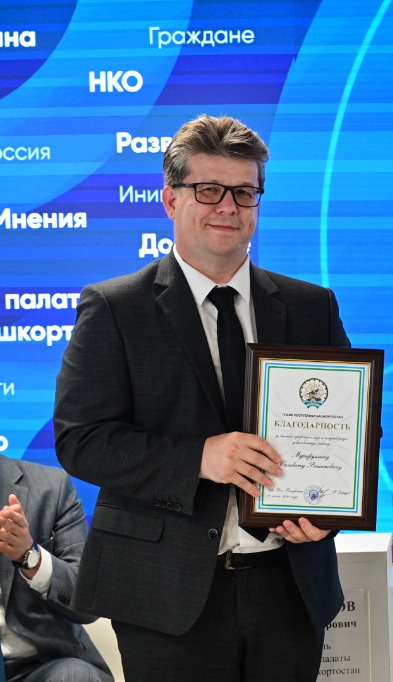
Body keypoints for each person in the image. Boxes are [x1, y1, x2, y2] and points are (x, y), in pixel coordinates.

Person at [53, 114, 349, 681]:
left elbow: (353, 429)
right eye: (209, 190)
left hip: (290, 587)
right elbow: (81, 440)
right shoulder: (115, 308)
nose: (228, 207)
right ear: (170, 199)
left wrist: (326, 515)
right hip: (163, 592)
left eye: (244, 192)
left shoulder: (312, 306)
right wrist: (201, 458)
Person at [0, 455, 112, 682]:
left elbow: (88, 604)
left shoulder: (51, 487)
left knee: (75, 677)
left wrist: (29, 556)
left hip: (42, 665)